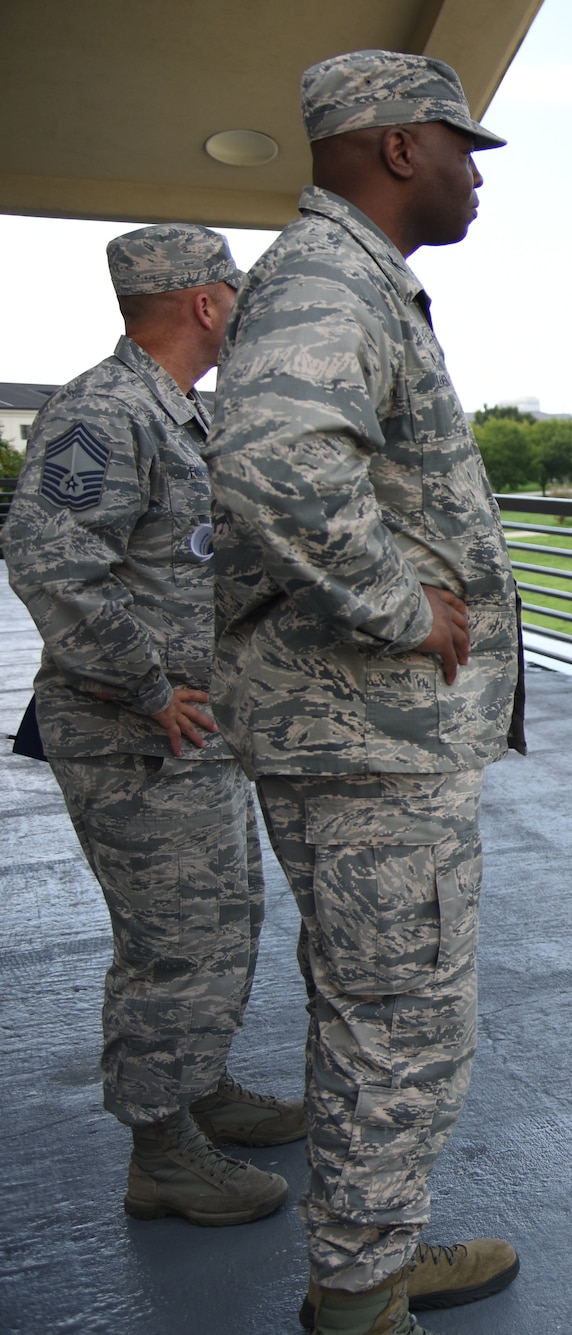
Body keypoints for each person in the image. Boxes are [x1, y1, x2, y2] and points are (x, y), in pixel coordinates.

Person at [204, 51, 524, 1335]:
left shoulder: (349, 280)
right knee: (398, 1013)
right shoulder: (334, 277)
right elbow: (275, 456)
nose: (472, 176)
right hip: (365, 730)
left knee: (379, 1002)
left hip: (364, 732)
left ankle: (371, 1249)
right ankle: (356, 1293)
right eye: (461, 149)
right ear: (398, 147)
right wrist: (399, 605)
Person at [1, 225, 304, 1230]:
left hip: (192, 730)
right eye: (233, 289)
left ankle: (198, 1086)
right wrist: (144, 686)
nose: (240, 306)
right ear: (204, 302)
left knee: (225, 921)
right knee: (174, 939)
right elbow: (47, 556)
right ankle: (162, 1150)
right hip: (135, 732)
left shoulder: (177, 412)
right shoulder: (105, 408)